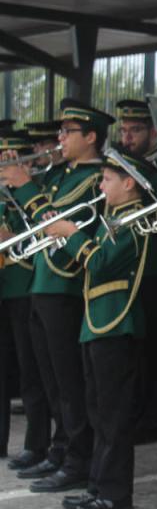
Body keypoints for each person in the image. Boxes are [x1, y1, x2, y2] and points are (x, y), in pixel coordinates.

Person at [1, 100, 113, 493]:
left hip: (66, 289)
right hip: (41, 285)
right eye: (61, 132)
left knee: (70, 384)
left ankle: (78, 458)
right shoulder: (59, 173)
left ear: (91, 137)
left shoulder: (95, 178)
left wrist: (26, 185)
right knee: (50, 381)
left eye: (68, 132)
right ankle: (59, 448)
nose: (60, 138)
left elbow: (57, 224)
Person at [46, 149, 155, 509]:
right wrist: (60, 235)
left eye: (108, 179)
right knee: (98, 415)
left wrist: (72, 233)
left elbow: (102, 262)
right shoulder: (110, 218)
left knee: (114, 419)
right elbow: (82, 261)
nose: (101, 185)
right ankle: (98, 487)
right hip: (96, 326)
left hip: (117, 325)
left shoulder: (134, 221)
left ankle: (114, 495)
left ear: (129, 183)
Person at [115, 99, 157, 443]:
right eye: (124, 131)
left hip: (155, 267)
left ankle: (153, 419)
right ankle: (136, 411)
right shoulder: (123, 163)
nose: (127, 137)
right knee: (134, 348)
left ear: (152, 132)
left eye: (135, 130)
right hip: (128, 266)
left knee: (154, 347)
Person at [0, 130, 53, 471]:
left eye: (7, 162)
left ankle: (36, 444)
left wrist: (10, 237)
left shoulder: (37, 195)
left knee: (31, 371)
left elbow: (45, 239)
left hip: (23, 287)